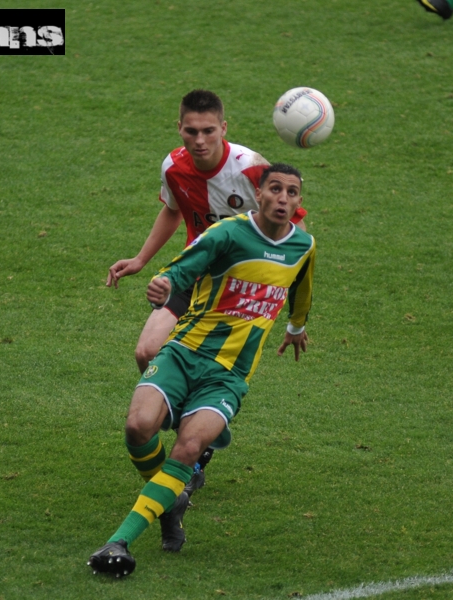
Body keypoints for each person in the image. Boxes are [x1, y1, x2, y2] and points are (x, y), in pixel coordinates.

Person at [89, 163, 316, 578]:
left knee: (188, 449)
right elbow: (180, 269)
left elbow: (302, 285)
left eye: (292, 192)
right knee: (138, 427)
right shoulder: (227, 233)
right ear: (259, 194)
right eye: (276, 190)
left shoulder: (303, 246)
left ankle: (118, 541)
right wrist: (162, 283)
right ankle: (170, 496)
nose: (283, 199)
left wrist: (296, 327)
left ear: (299, 202)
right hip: (184, 351)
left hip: (228, 375)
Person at [105, 90, 307, 516]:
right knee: (145, 351)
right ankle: (195, 437)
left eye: (209, 131)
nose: (200, 140)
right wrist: (142, 259)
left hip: (232, 285)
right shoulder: (173, 166)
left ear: (224, 129)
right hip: (192, 275)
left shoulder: (252, 169)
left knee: (169, 359)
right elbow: (173, 210)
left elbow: (290, 229)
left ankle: (193, 449)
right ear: (179, 129)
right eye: (191, 131)